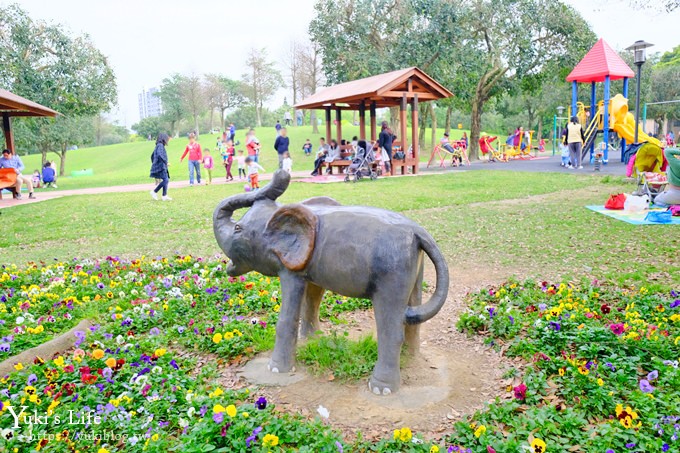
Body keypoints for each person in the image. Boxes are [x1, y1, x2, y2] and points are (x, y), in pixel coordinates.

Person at [149, 133, 172, 201]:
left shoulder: (158, 146)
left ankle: (164, 196)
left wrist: (154, 162)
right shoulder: (160, 145)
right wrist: (166, 162)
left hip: (161, 166)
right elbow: (160, 155)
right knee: (166, 180)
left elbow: (152, 156)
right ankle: (154, 192)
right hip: (160, 166)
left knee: (166, 179)